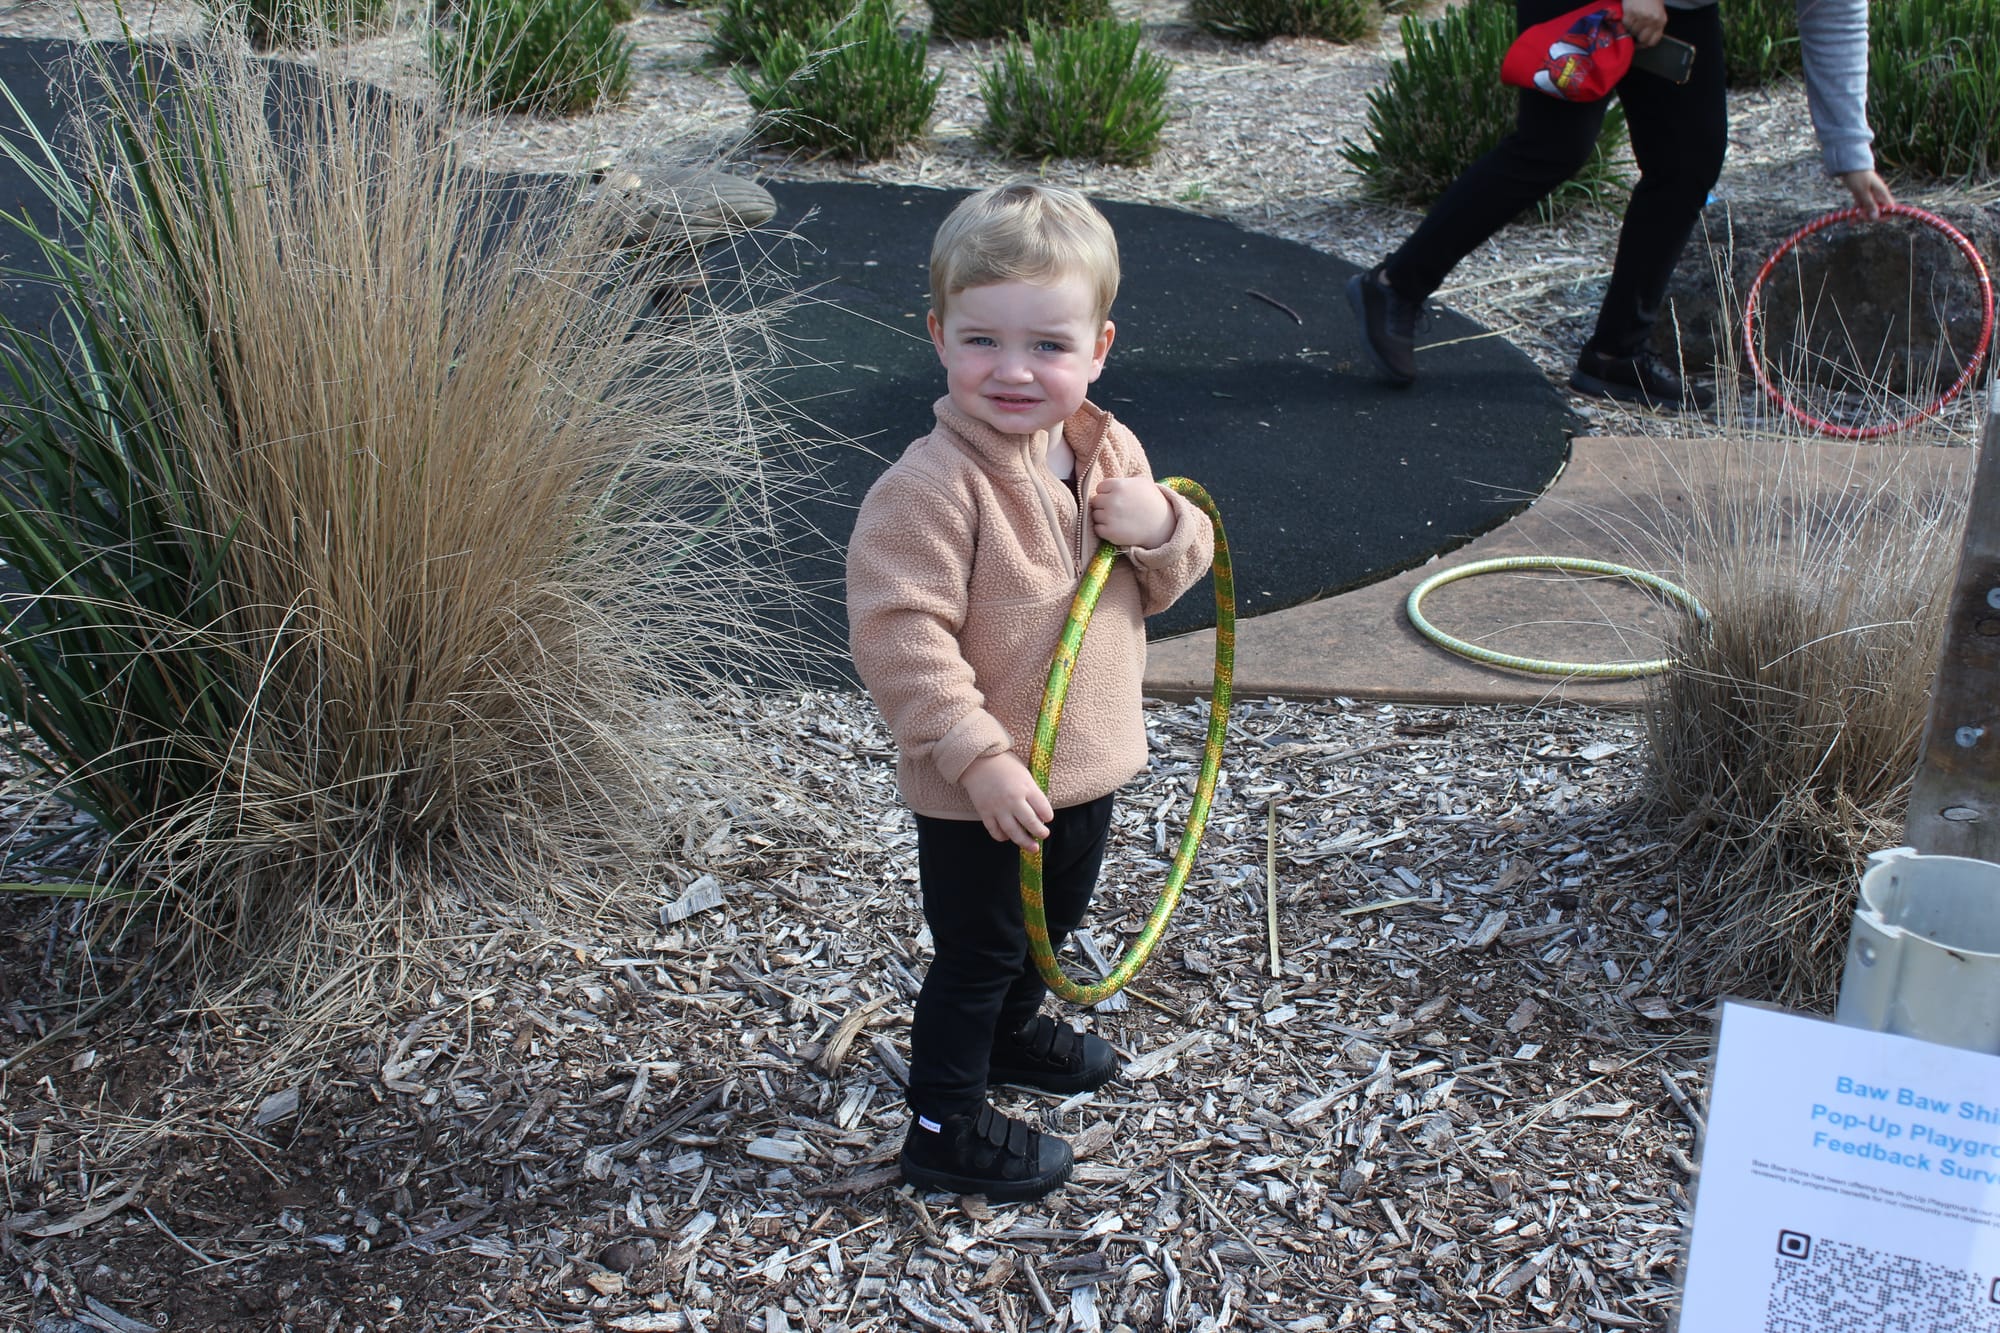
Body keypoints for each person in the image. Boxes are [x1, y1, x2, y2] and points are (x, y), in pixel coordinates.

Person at [846, 183, 1214, 1201]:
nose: (1013, 370)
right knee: (979, 952)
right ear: (938, 337)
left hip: (1088, 766)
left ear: (1098, 348)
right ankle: (943, 1124)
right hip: (982, 791)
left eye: (1048, 345)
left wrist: (1162, 527)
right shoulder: (928, 490)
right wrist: (978, 757)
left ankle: (1011, 1037)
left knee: (1049, 923)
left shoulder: (1108, 453)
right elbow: (899, 639)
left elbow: (1170, 576)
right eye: (983, 341)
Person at [1346, 0, 1896, 409]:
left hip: (1677, 8)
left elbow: (1835, 13)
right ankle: (1396, 285)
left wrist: (1851, 154)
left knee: (1687, 162)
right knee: (1554, 145)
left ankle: (1616, 355)